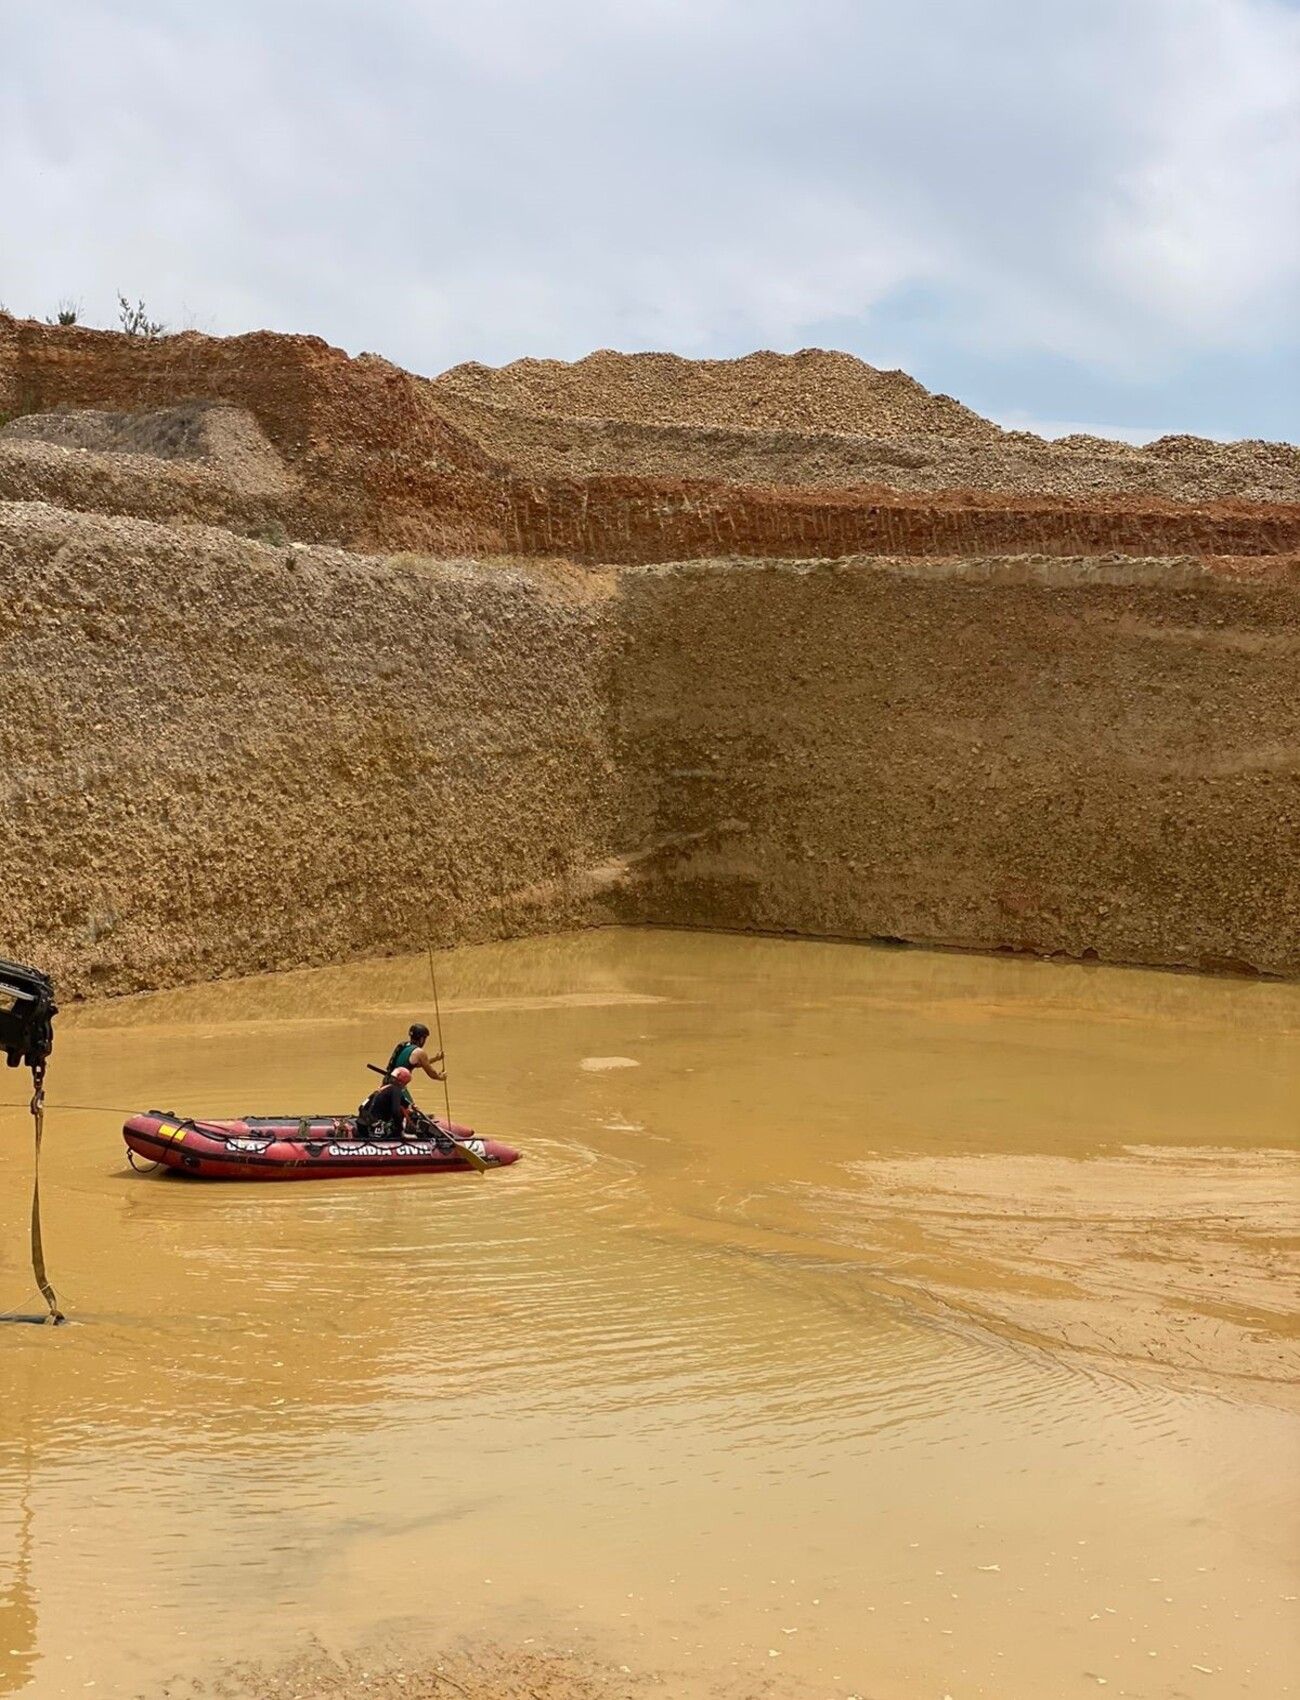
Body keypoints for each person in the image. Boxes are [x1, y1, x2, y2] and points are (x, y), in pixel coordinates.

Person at [355, 1066, 413, 1141]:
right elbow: (395, 1112)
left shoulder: (384, 1089)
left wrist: (411, 1107)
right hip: (373, 1127)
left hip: (361, 1124)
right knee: (397, 1122)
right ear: (403, 1082)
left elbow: (404, 1103)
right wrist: (400, 1129)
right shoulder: (396, 1090)